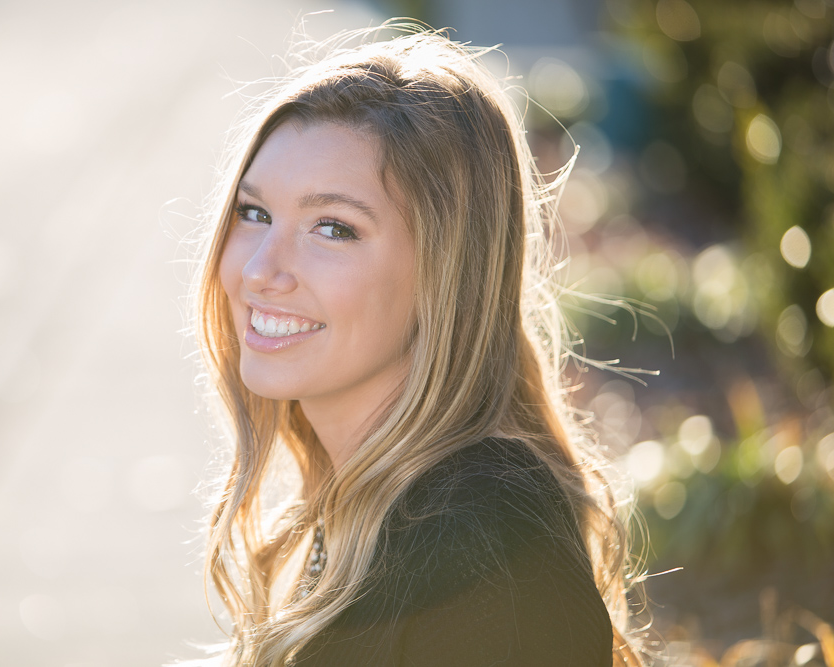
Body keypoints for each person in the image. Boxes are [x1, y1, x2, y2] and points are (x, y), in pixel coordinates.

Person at [192, 24, 647, 667]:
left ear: (445, 274)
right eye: (255, 213)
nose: (261, 270)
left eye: (333, 228)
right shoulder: (370, 499)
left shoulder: (482, 552)